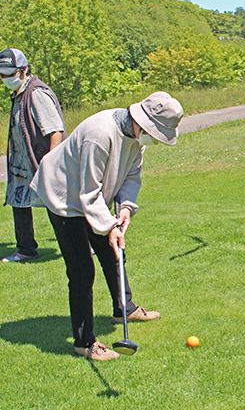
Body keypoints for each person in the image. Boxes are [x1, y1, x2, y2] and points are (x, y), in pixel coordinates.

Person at [30, 91, 184, 361]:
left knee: (114, 252)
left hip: (92, 197)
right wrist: (109, 226)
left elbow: (131, 176)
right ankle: (84, 342)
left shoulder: (136, 138)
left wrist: (125, 209)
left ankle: (124, 308)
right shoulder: (99, 134)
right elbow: (88, 193)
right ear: (142, 121)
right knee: (81, 269)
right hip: (64, 195)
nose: (154, 138)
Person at [0, 48, 66, 263]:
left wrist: (50, 163)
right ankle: (26, 249)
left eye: (10, 73)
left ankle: (80, 243)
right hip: (21, 163)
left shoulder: (36, 93)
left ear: (24, 70)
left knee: (56, 204)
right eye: (2, 74)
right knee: (18, 201)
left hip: (43, 161)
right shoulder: (19, 92)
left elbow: (55, 130)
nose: (5, 78)